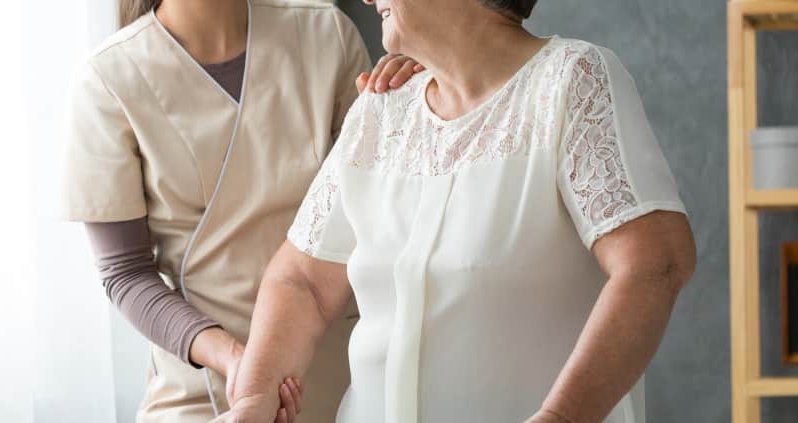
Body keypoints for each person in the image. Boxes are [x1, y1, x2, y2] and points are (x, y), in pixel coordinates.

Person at [218, 0, 696, 422]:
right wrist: (254, 399)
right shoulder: (381, 112)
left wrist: (562, 418)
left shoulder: (570, 81)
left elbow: (655, 263)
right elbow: (302, 280)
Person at [60, 0, 423, 421]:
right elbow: (126, 274)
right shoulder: (108, 78)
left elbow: (381, 211)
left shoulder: (326, 33)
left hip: (339, 375)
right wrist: (238, 362)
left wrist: (409, 100)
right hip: (203, 388)